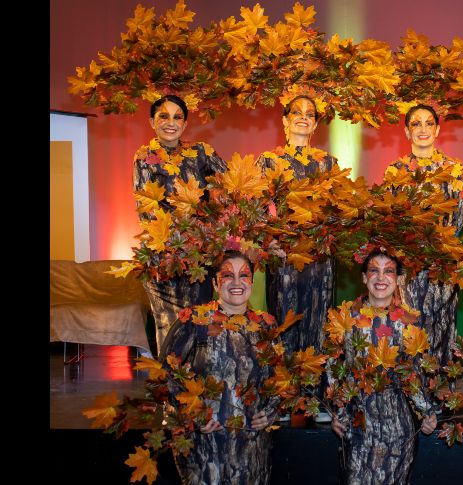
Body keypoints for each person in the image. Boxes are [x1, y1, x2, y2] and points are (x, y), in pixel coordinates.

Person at [160, 251, 279, 484]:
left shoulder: (266, 325)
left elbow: (280, 378)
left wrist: (271, 411)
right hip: (205, 447)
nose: (236, 282)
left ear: (252, 283)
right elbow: (166, 373)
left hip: (251, 450)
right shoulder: (196, 321)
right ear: (215, 283)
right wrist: (193, 414)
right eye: (227, 276)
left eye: (243, 275)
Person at [258, 94, 338, 422]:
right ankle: (285, 397)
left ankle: (315, 398)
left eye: (309, 114)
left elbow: (336, 212)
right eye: (296, 112)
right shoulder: (269, 161)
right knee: (285, 323)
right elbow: (261, 209)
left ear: (316, 124)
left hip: (319, 257)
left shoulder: (328, 164)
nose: (303, 118)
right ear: (284, 120)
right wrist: (269, 240)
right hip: (285, 255)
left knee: (318, 324)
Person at [330, 250, 438, 484]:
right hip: (357, 427)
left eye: (388, 271)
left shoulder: (410, 322)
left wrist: (426, 412)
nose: (381, 278)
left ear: (399, 278)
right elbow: (335, 369)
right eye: (373, 270)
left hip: (398, 430)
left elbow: (415, 375)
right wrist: (338, 411)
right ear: (363, 277)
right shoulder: (346, 318)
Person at [133, 94, 228, 353]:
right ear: (152, 121)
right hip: (164, 257)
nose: (170, 122)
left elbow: (231, 186)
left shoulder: (201, 152)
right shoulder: (145, 157)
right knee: (170, 326)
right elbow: (148, 211)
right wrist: (184, 229)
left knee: (200, 322)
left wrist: (216, 208)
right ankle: (171, 388)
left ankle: (199, 386)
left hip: (200, 256)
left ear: (185, 124)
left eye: (177, 117)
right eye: (163, 116)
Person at [387, 104, 463, 368]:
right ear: (407, 132)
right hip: (407, 266)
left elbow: (460, 219)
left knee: (442, 325)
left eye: (428, 123)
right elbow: (390, 222)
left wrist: (441, 252)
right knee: (410, 326)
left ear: (438, 129)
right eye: (416, 124)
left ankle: (438, 392)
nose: (423, 129)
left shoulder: (454, 170)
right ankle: (411, 394)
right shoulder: (395, 171)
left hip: (442, 265)